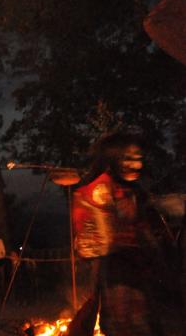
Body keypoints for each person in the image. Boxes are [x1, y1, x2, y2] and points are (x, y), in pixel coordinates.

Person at [68, 132, 165, 336]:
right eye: (128, 159)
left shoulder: (132, 191)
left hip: (140, 276)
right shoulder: (98, 190)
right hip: (117, 278)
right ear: (112, 157)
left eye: (138, 159)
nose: (136, 165)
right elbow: (100, 240)